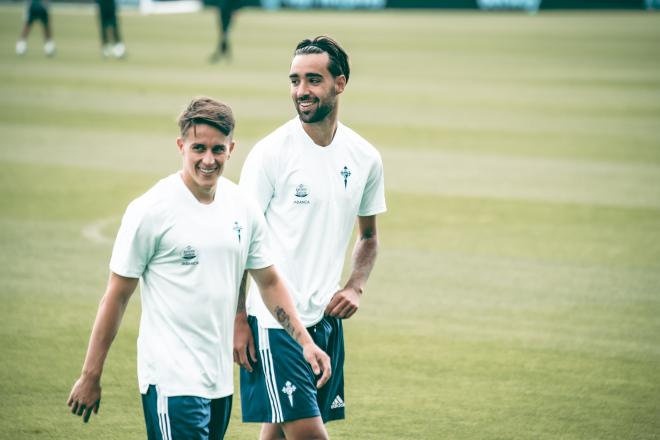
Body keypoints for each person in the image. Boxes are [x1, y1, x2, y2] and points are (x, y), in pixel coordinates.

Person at [67, 97, 331, 440]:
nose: (209, 160)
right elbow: (115, 298)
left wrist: (305, 342)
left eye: (218, 150)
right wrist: (91, 375)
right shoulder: (151, 210)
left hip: (219, 382)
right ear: (181, 146)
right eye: (199, 148)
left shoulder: (242, 207)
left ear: (231, 149)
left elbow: (268, 282)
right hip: (171, 381)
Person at [235, 36, 386, 439]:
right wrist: (237, 319)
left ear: (340, 83)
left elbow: (369, 235)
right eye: (295, 80)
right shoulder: (270, 154)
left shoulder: (364, 157)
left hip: (324, 321)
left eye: (313, 80)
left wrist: (355, 284)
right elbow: (240, 243)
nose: (301, 91)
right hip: (273, 324)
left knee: (279, 433)